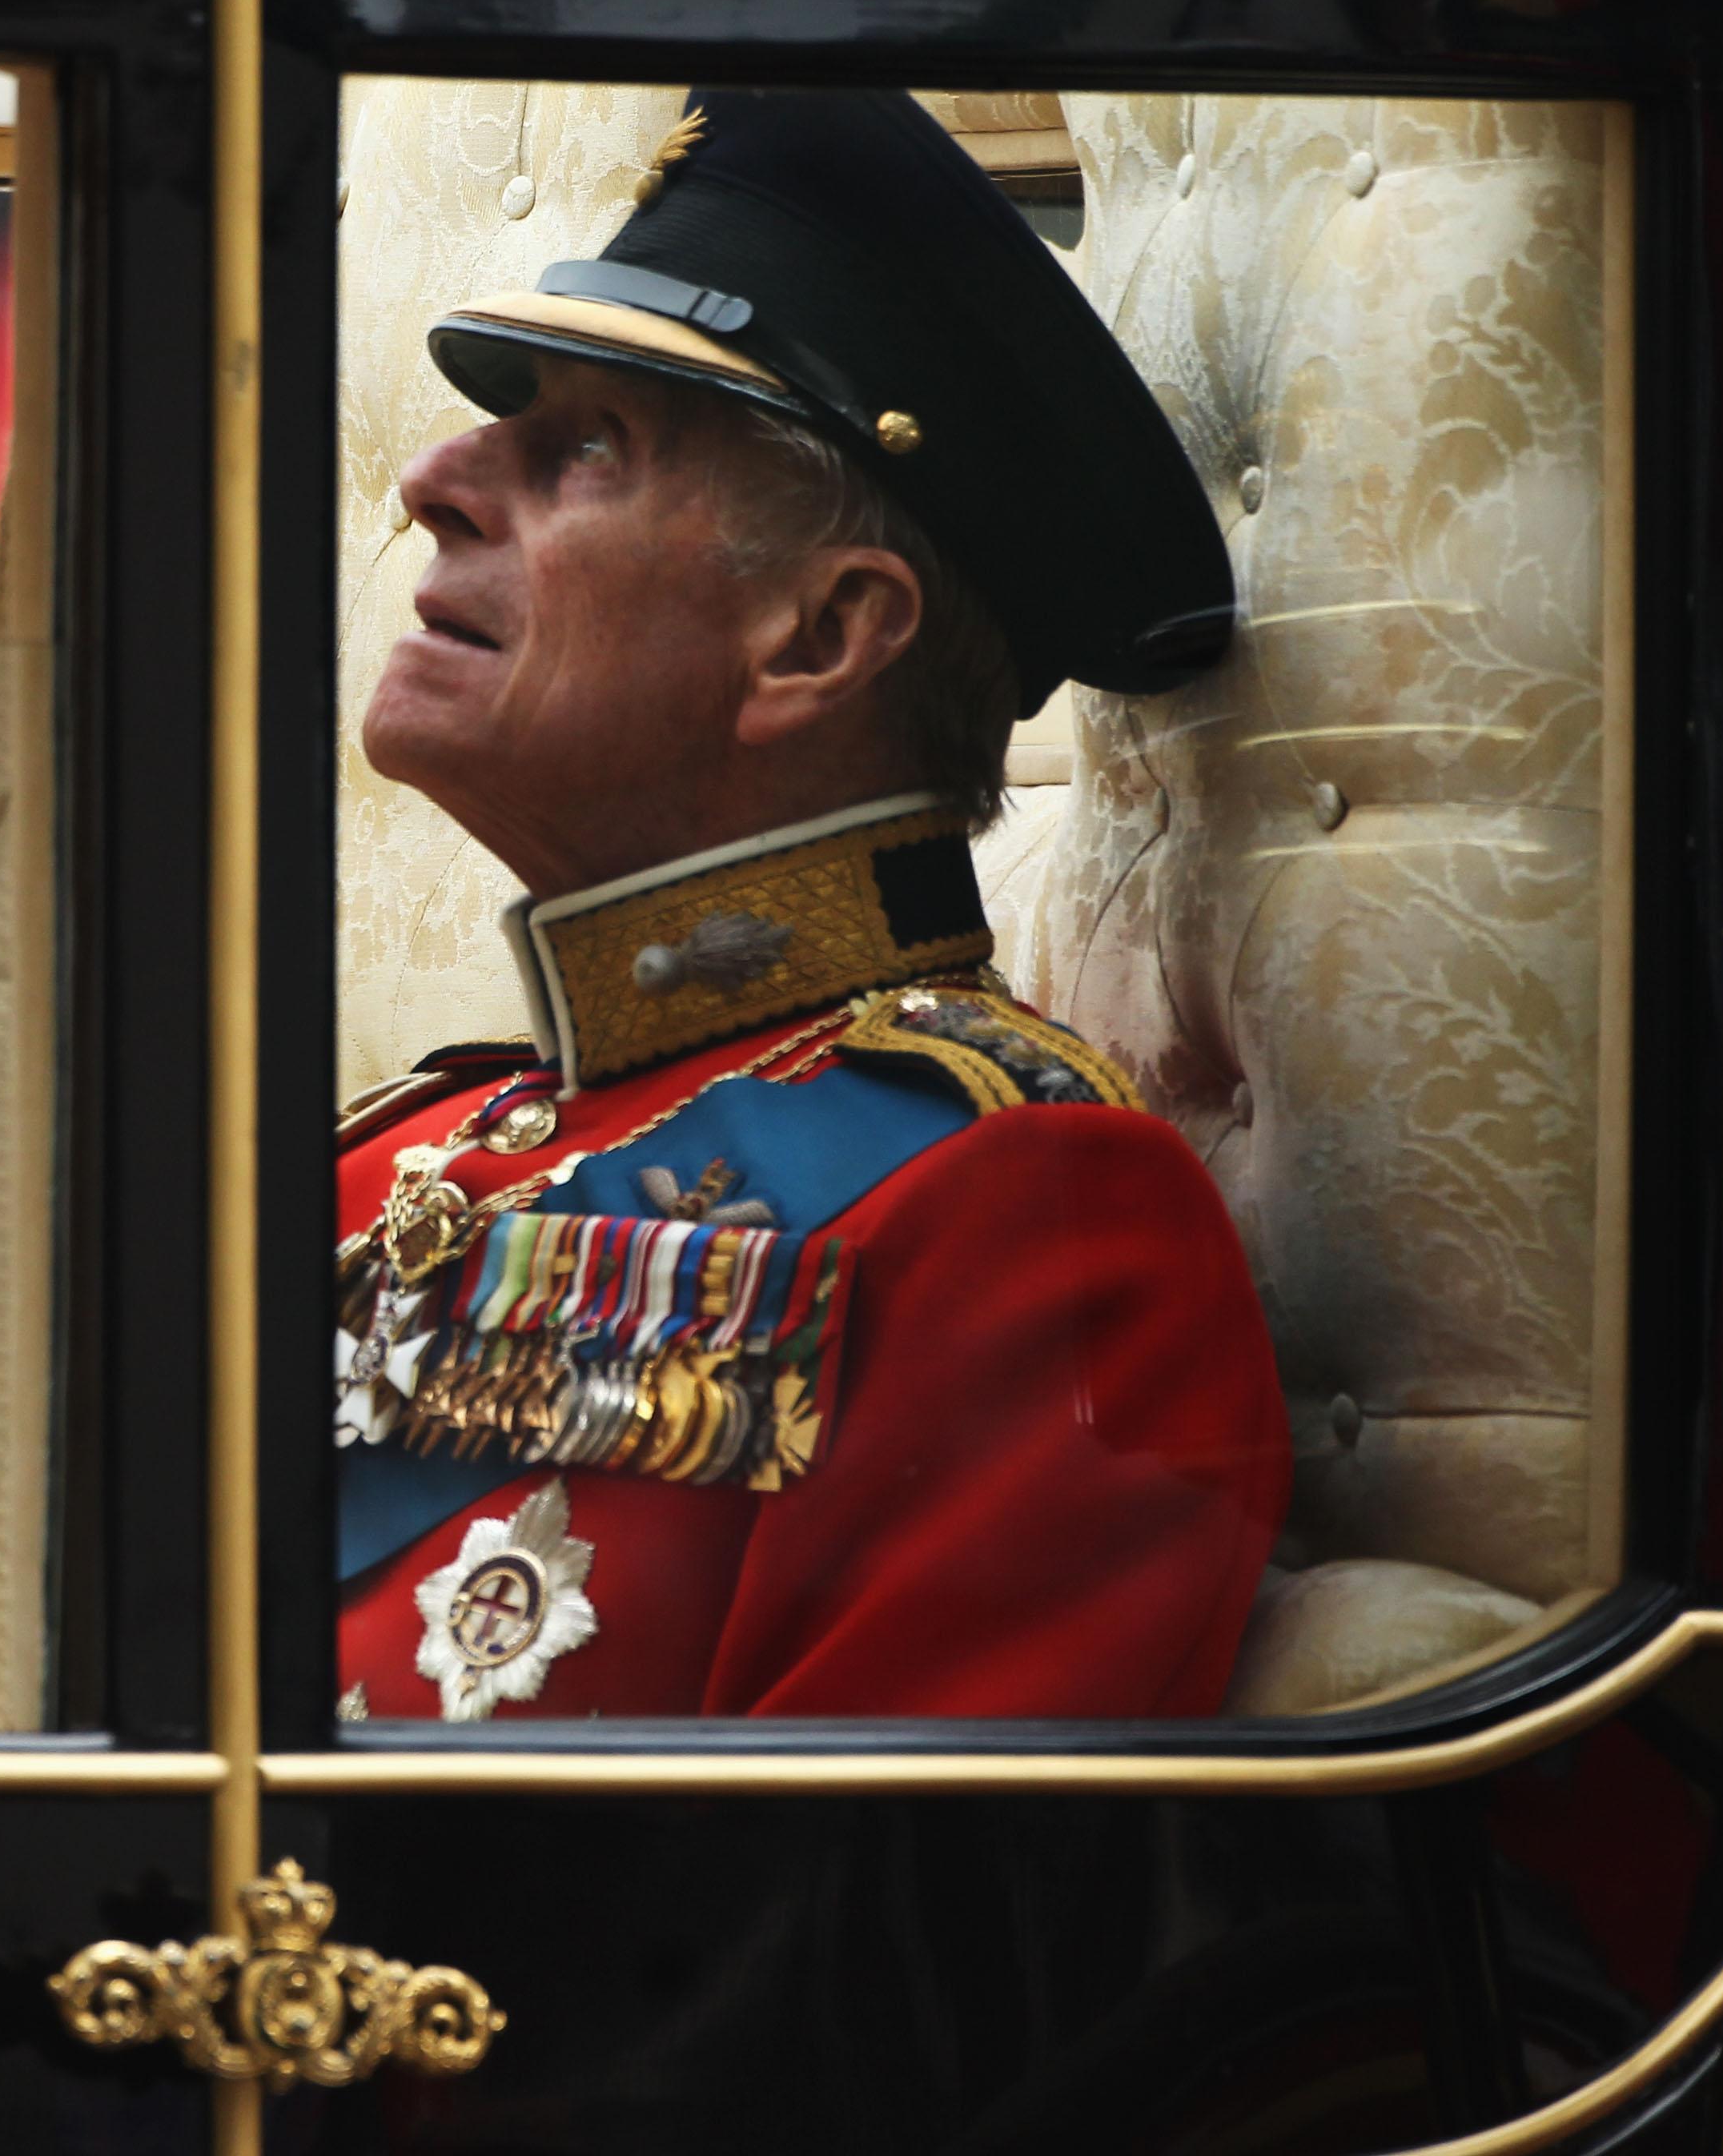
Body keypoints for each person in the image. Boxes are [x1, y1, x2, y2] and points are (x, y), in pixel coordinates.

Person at [334, 89, 1291, 1723]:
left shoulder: (1024, 1210)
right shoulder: (400, 1144)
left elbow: (850, 1946)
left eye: (578, 448)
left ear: (819, 636)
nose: (430, 475)